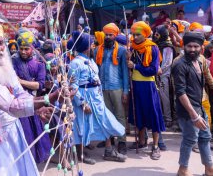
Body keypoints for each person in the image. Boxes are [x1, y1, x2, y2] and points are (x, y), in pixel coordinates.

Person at [0, 20, 57, 176]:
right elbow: (12, 105)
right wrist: (48, 99)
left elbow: (20, 92)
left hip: (13, 132)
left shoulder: (4, 65)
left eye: (0, 43)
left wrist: (37, 109)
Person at [172, 32, 213, 176]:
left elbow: (207, 74)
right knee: (190, 139)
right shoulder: (179, 64)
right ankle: (182, 169)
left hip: (199, 104)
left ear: (201, 48)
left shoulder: (200, 60)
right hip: (188, 109)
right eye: (189, 46)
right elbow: (181, 92)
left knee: (205, 137)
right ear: (183, 46)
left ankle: (209, 168)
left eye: (196, 46)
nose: (192, 49)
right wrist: (194, 115)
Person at [68, 30, 126, 164]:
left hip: (96, 97)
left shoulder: (91, 60)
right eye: (91, 44)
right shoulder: (75, 63)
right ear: (86, 47)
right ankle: (81, 154)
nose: (93, 46)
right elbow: (73, 86)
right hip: (84, 97)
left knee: (105, 121)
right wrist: (82, 103)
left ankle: (109, 151)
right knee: (82, 125)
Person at [12, 29, 51, 164]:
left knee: (35, 135)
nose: (23, 52)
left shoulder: (39, 64)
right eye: (21, 48)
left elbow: (40, 85)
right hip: (17, 104)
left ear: (32, 48)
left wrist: (21, 81)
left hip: (34, 104)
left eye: (26, 49)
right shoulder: (13, 63)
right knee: (22, 136)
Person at [127, 21, 165, 160]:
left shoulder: (152, 48)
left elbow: (153, 70)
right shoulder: (132, 48)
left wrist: (135, 66)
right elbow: (129, 66)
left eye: (138, 34)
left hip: (148, 86)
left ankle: (155, 146)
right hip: (136, 85)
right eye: (133, 34)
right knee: (138, 114)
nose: (135, 37)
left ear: (145, 34)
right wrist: (128, 60)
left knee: (153, 115)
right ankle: (142, 142)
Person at [95, 23, 129, 154]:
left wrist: (125, 91)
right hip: (102, 88)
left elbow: (125, 72)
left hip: (117, 88)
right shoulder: (97, 50)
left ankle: (122, 141)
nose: (108, 37)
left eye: (111, 35)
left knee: (120, 115)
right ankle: (109, 139)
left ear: (115, 36)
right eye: (106, 35)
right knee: (106, 116)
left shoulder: (121, 50)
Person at [154, 25, 175, 127]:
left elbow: (167, 62)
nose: (155, 35)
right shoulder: (157, 45)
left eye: (157, 34)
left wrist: (160, 71)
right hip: (155, 74)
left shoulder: (167, 46)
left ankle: (168, 118)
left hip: (164, 75)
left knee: (164, 96)